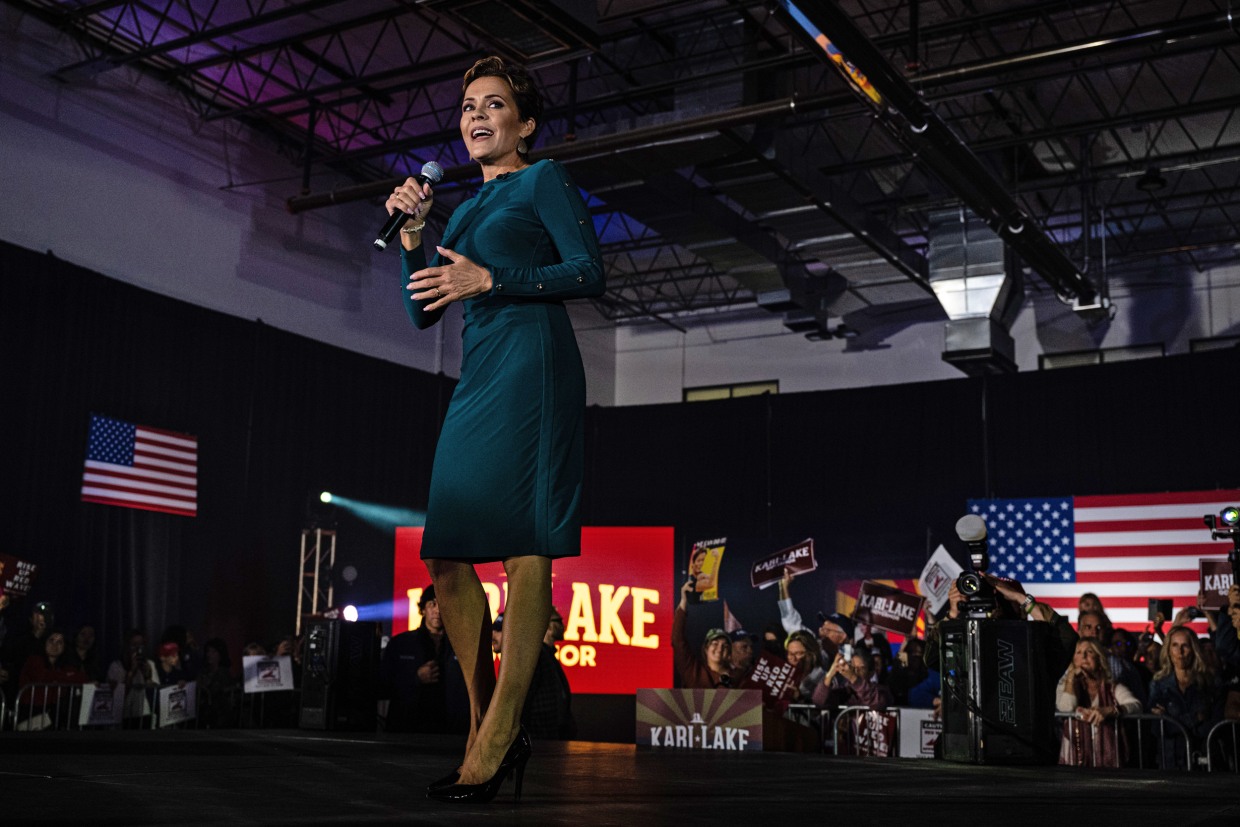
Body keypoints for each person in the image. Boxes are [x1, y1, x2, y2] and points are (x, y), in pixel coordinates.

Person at [386, 54, 603, 800]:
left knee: (523, 548)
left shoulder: (541, 180)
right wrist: (414, 234)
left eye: (495, 105)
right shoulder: (464, 211)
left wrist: (495, 279)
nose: (477, 116)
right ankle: (484, 729)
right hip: (479, 376)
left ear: (525, 123)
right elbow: (422, 310)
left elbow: (589, 270)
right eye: (469, 106)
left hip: (535, 371)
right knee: (445, 553)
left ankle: (501, 733)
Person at [379, 584, 469, 734]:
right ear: (423, 608)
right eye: (432, 603)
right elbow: (382, 686)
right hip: (406, 731)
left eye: (443, 603)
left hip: (450, 734)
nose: (438, 610)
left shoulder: (462, 647)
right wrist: (415, 678)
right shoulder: (401, 643)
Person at [1055, 638, 1142, 767]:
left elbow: (1136, 706)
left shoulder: (1113, 688)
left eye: (1089, 652)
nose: (1083, 656)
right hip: (1075, 756)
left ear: (1099, 658)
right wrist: (1071, 678)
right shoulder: (1065, 685)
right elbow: (1067, 708)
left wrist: (1111, 710)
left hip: (1107, 759)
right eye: (1078, 652)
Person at [1146, 625, 1224, 766]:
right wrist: (1195, 718)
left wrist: (1172, 719)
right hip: (1171, 760)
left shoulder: (1210, 682)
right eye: (1175, 645)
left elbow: (1214, 724)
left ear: (1194, 650)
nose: (1180, 652)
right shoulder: (1158, 684)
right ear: (1168, 651)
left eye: (1185, 646)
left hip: (1204, 759)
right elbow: (1158, 727)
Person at [16, 629, 88, 729]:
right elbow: (42, 677)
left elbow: (82, 678)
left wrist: (61, 675)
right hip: (31, 711)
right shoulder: (34, 660)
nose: (55, 645)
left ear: (64, 647)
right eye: (51, 640)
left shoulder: (63, 665)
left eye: (59, 642)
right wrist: (66, 676)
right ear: (44, 642)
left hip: (52, 714)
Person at [674, 580, 738, 688]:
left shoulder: (738, 678)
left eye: (725, 646)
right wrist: (684, 601)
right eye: (715, 643)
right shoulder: (694, 671)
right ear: (706, 649)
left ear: (729, 653)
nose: (720, 648)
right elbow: (678, 640)